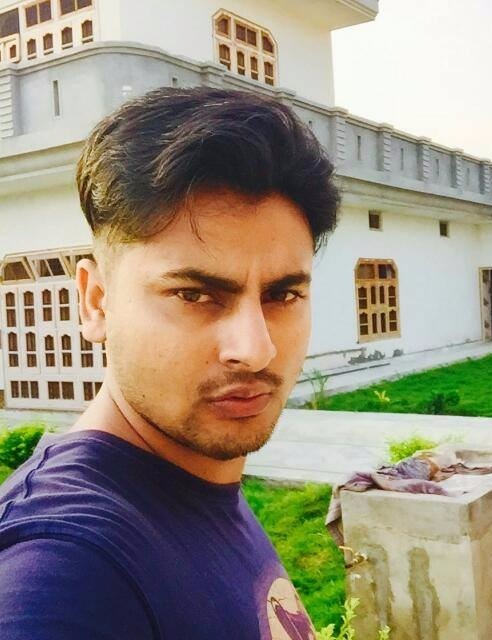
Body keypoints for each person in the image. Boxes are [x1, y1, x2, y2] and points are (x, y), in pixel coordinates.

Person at [0, 86, 340, 639]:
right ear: (95, 301)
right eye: (194, 295)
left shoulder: (197, 481)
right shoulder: (66, 569)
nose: (255, 349)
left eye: (282, 295)